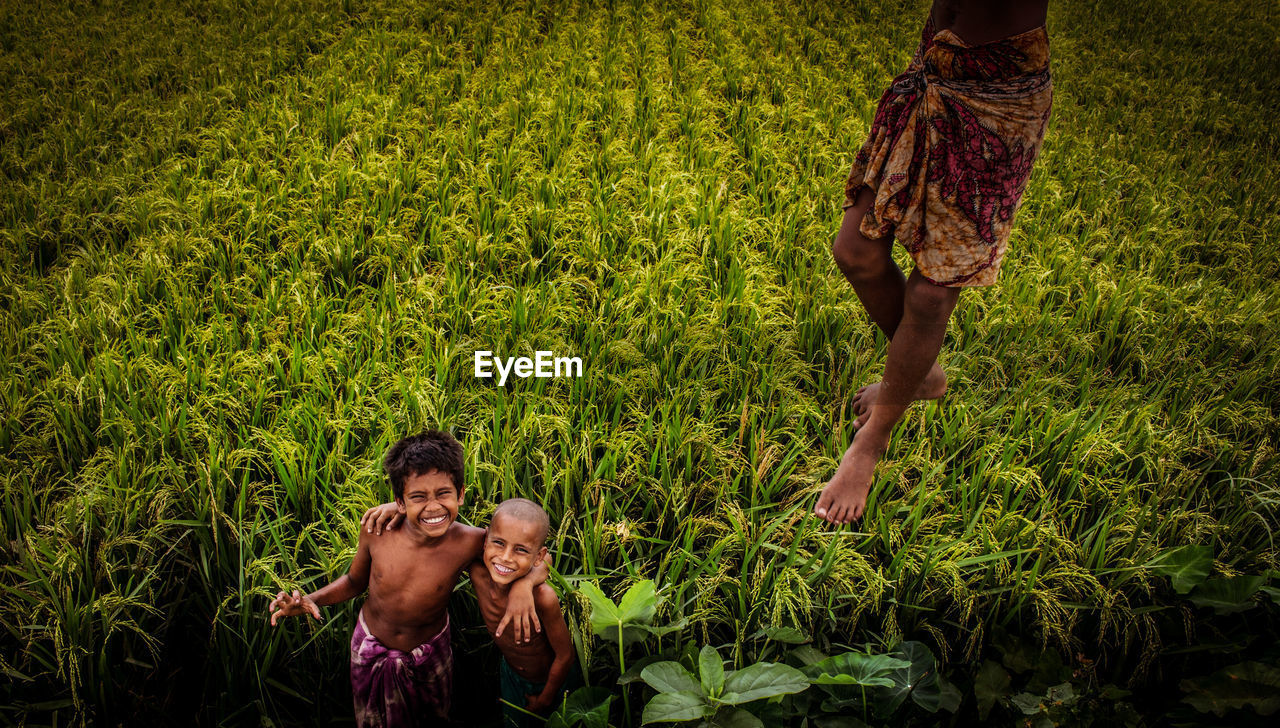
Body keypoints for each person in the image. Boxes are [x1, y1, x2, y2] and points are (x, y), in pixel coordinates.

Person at [815, 0, 1053, 523]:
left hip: (998, 97)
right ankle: (923, 376)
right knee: (855, 250)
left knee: (932, 293)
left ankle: (872, 443)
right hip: (934, 69)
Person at [268, 430, 546, 727]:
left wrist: (525, 586)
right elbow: (353, 581)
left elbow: (538, 558)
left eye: (443, 494)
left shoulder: (469, 541)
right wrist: (311, 598)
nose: (433, 507)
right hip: (369, 648)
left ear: (461, 494)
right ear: (400, 501)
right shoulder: (377, 531)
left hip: (429, 655)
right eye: (418, 497)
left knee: (432, 717)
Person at [470, 499, 577, 727]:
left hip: (551, 681)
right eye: (498, 543)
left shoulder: (543, 598)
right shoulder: (477, 572)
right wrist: (398, 507)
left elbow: (565, 656)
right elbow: (439, 536)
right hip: (510, 674)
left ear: (537, 556)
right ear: (485, 539)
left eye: (520, 550)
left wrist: (547, 696)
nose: (506, 556)